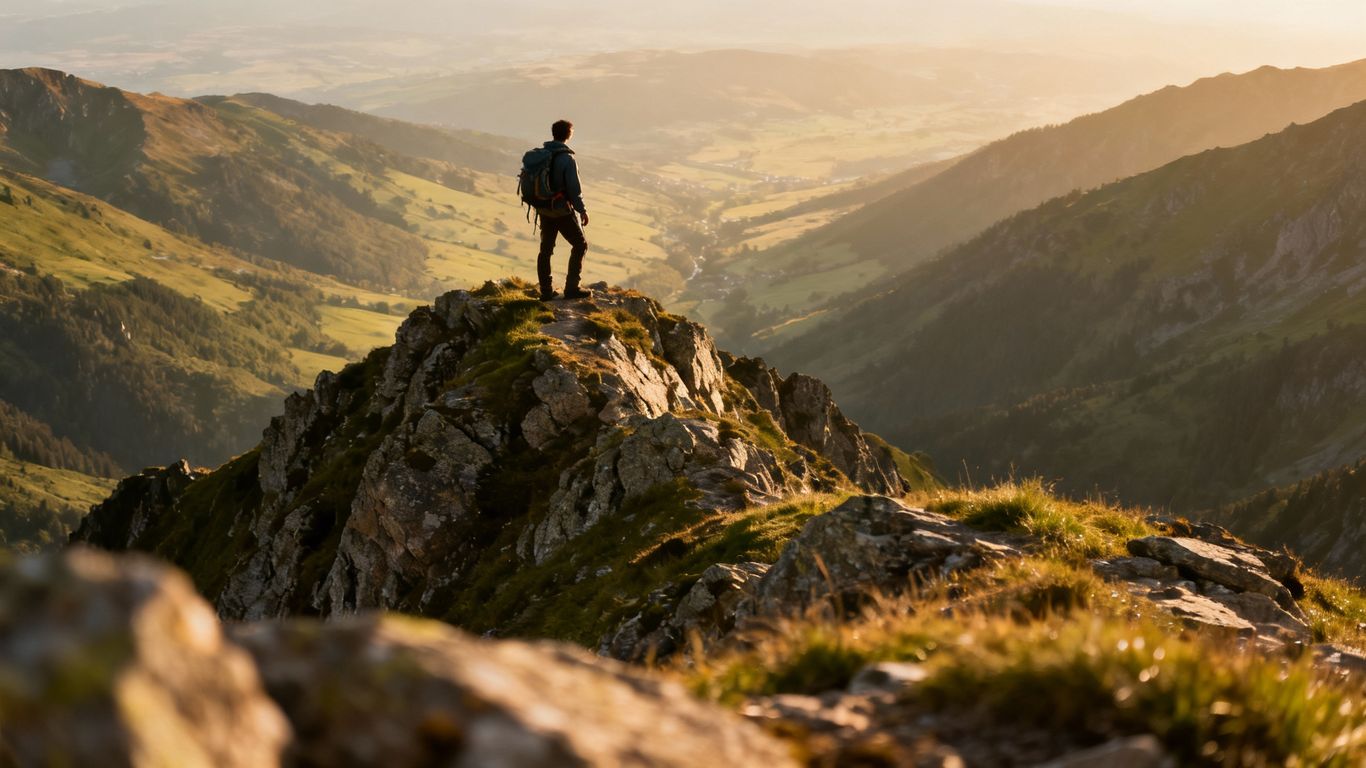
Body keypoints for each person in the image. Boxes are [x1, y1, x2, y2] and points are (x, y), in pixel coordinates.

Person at [536, 119, 590, 301]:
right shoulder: (567, 159)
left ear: (553, 133)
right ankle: (572, 288)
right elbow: (574, 189)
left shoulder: (542, 154)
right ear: (569, 134)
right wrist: (582, 210)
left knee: (546, 250)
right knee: (580, 245)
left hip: (544, 209)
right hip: (561, 210)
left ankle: (545, 291)